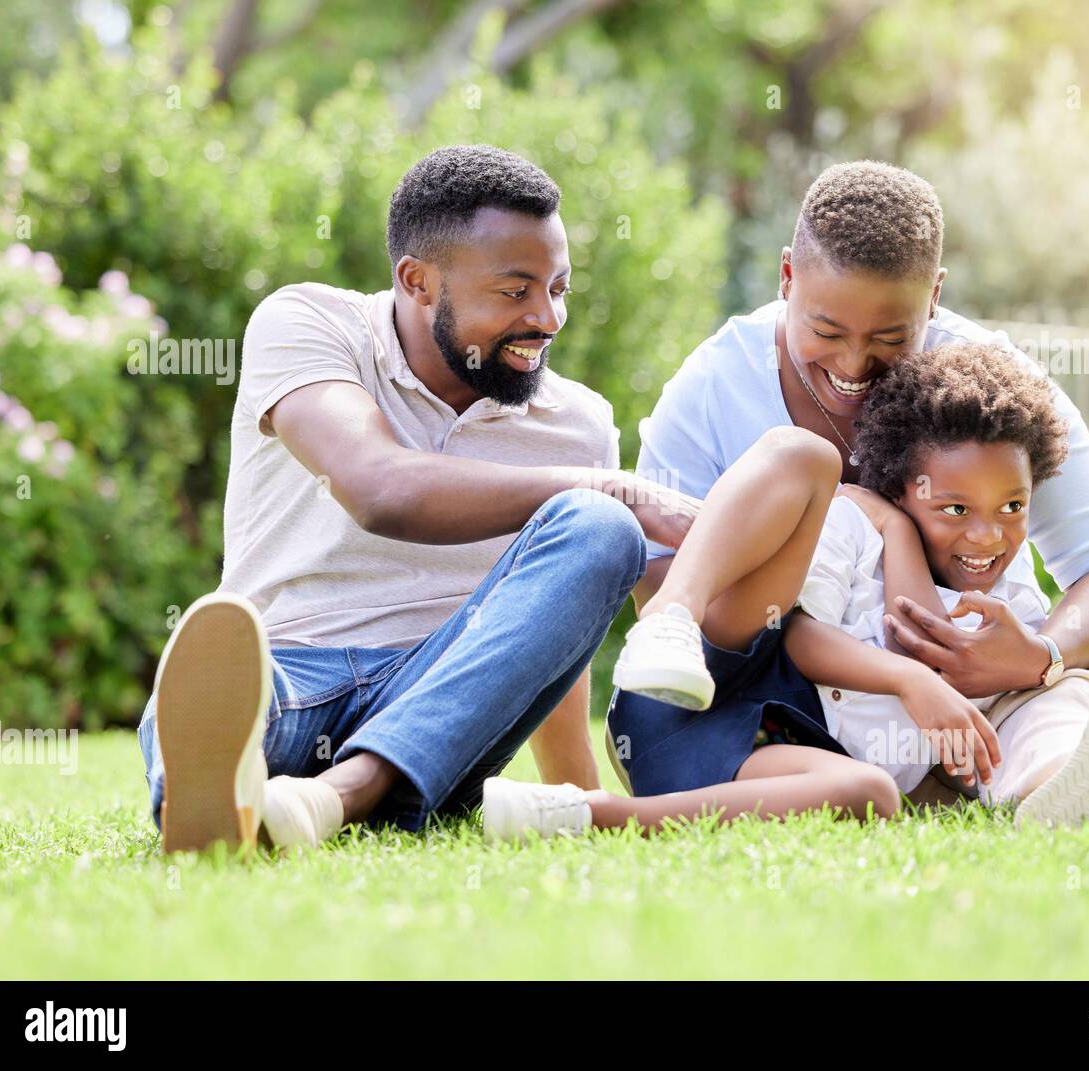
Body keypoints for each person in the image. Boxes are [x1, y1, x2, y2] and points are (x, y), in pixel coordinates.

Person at [137, 144, 697, 854]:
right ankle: (221, 782)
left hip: (442, 707)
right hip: (284, 675)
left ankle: (332, 797)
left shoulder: (577, 423)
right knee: (221, 700)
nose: (548, 318)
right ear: (418, 280)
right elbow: (380, 489)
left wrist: (577, 793)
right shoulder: (311, 326)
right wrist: (603, 485)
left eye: (559, 287)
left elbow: (552, 636)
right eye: (515, 290)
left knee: (603, 529)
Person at [481, 343, 1089, 841]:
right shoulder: (857, 521)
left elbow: (941, 732)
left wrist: (1055, 670)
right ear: (900, 484)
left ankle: (1063, 782)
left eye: (1012, 508)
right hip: (710, 695)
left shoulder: (984, 602)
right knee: (808, 457)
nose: (987, 536)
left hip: (783, 747)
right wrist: (907, 667)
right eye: (954, 508)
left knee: (877, 792)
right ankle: (601, 785)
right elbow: (794, 633)